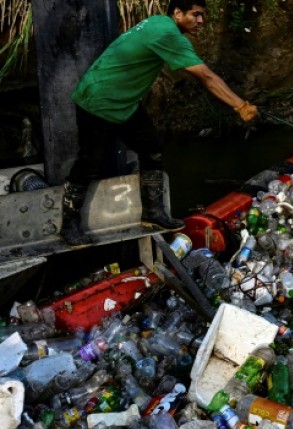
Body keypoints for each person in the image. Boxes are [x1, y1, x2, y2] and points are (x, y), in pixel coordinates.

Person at [62, 0, 258, 246]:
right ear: (177, 13)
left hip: (125, 102)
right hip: (98, 100)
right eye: (196, 15)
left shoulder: (158, 22)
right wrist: (240, 105)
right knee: (89, 162)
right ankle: (69, 224)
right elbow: (206, 76)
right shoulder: (167, 34)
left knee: (152, 147)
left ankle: (152, 211)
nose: (201, 21)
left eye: (202, 16)